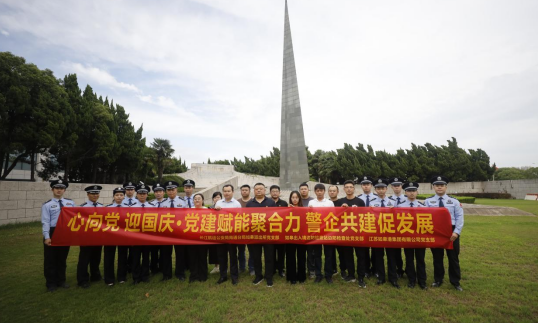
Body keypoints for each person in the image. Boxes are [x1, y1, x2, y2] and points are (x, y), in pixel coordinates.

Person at [425, 176, 464, 291]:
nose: (439, 187)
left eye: (442, 185)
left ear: (446, 187)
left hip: (451, 232)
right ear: (433, 187)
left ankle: (455, 282)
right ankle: (438, 279)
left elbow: (459, 218)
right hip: (436, 231)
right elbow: (425, 217)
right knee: (437, 257)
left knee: (453, 257)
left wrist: (456, 233)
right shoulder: (428, 201)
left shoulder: (454, 201)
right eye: (437, 185)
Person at [42, 179, 75, 292]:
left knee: (62, 258)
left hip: (65, 232)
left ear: (64, 190)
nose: (59, 190)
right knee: (50, 259)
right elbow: (45, 221)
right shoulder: (47, 205)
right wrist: (47, 237)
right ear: (52, 189)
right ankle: (51, 283)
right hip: (53, 232)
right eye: (57, 188)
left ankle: (61, 280)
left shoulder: (70, 203)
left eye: (61, 188)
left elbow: (74, 219)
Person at [337, 180, 367, 287]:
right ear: (344, 189)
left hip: (358, 233)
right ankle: (351, 275)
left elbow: (365, 217)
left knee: (361, 256)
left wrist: (357, 210)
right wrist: (341, 210)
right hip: (346, 233)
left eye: (351, 187)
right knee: (348, 256)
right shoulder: (340, 202)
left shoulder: (360, 202)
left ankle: (361, 277)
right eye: (347, 187)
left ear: (354, 188)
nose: (349, 189)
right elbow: (336, 218)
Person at [246, 183, 277, 287]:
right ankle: (258, 276)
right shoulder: (250, 204)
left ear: (265, 190)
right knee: (256, 257)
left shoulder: (271, 202)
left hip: (268, 235)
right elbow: (246, 219)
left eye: (261, 189)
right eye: (257, 189)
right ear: (254, 191)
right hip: (255, 235)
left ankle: (269, 277)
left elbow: (276, 217)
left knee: (269, 257)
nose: (259, 191)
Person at [371, 178, 400, 288]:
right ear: (376, 190)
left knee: (391, 256)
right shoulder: (372, 203)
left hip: (390, 232)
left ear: (386, 189)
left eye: (382, 188)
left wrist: (395, 210)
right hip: (378, 233)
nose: (380, 190)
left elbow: (400, 217)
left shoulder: (393, 201)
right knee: (379, 256)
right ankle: (381, 277)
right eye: (378, 188)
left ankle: (393, 278)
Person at [399, 182, 427, 289]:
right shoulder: (400, 206)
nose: (412, 193)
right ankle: (411, 280)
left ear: (417, 192)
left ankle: (422, 281)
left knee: (420, 259)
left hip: (420, 237)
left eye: (414, 191)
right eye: (409, 191)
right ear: (405, 192)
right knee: (409, 259)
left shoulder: (422, 206)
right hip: (407, 237)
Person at [214, 185, 242, 285]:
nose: (226, 193)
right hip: (221, 234)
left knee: (233, 256)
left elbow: (240, 218)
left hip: (232, 234)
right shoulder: (218, 203)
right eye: (225, 191)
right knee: (222, 256)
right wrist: (215, 210)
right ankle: (223, 276)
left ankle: (234, 276)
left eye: (229, 191)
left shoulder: (237, 204)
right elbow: (214, 218)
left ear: (232, 192)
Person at [76, 185, 103, 288]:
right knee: (84, 259)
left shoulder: (101, 207)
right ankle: (82, 279)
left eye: (96, 193)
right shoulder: (82, 207)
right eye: (92, 193)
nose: (95, 195)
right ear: (88, 194)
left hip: (98, 237)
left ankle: (95, 276)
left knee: (96, 257)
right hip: (86, 237)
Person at [308, 183, 335, 284]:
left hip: (327, 232)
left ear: (324, 191)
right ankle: (318, 274)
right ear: (315, 192)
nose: (319, 192)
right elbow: (309, 216)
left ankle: (328, 275)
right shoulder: (311, 202)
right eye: (317, 190)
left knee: (328, 255)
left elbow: (333, 217)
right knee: (317, 255)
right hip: (316, 232)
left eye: (321, 190)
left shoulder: (329, 203)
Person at [160, 180, 187, 281]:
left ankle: (180, 273)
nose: (171, 192)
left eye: (173, 190)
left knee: (180, 253)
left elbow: (186, 217)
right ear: (166, 191)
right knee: (166, 254)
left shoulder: (182, 202)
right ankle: (166, 274)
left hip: (179, 232)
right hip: (166, 232)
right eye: (169, 190)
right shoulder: (162, 203)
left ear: (177, 190)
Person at [130, 183, 155, 285]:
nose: (142, 195)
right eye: (140, 193)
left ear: (147, 194)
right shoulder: (131, 207)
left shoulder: (152, 207)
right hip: (135, 237)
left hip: (147, 237)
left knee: (146, 257)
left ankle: (145, 276)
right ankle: (136, 277)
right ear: (137, 194)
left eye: (144, 193)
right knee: (135, 257)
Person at [104, 187, 127, 286]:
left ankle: (122, 277)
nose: (119, 197)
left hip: (123, 235)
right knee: (109, 256)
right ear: (113, 196)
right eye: (117, 195)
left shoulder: (129, 208)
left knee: (122, 256)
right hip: (110, 236)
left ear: (124, 196)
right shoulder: (107, 208)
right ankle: (109, 279)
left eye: (121, 195)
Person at [357, 176, 377, 278]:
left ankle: (375, 269)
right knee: (364, 250)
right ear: (361, 186)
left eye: (368, 184)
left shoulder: (377, 197)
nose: (366, 186)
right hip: (362, 226)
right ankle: (366, 270)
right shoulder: (358, 198)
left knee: (375, 250)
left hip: (375, 227)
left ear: (371, 186)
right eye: (364, 185)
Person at [285, 191, 307, 284]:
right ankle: (291, 276)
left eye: (296, 197)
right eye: (293, 197)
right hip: (290, 237)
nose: (294, 199)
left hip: (301, 237)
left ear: (299, 199)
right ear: (290, 198)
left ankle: (301, 276)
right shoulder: (286, 209)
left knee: (301, 257)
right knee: (290, 257)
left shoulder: (304, 209)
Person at [188, 193, 209, 283]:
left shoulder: (207, 210)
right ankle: (194, 275)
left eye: (199, 198)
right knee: (193, 257)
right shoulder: (189, 210)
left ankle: (203, 275)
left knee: (202, 256)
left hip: (203, 238)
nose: (197, 200)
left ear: (203, 200)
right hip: (192, 238)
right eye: (195, 199)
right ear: (193, 201)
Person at [389, 177, 406, 278]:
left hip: (405, 227)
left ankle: (406, 269)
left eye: (398, 185)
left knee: (408, 251)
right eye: (394, 186)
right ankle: (398, 269)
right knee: (396, 251)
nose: (396, 187)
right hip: (393, 229)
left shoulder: (407, 198)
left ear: (401, 186)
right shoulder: (388, 200)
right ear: (391, 187)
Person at [270, 184, 288, 278]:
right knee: (271, 252)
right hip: (270, 232)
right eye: (273, 191)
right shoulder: (267, 202)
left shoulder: (284, 203)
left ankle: (281, 269)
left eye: (277, 191)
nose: (275, 193)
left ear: (279, 193)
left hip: (281, 232)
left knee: (281, 253)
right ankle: (272, 269)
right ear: (270, 193)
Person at [149, 182, 166, 275]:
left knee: (164, 252)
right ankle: (154, 269)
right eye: (156, 191)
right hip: (153, 232)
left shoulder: (168, 202)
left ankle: (163, 267)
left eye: (160, 191)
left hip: (165, 231)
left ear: (163, 192)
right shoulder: (150, 204)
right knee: (154, 251)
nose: (158, 193)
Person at [299, 182, 315, 278]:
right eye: (302, 189)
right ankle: (302, 269)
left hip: (310, 230)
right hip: (299, 231)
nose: (303, 190)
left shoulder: (313, 201)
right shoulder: (296, 200)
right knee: (301, 252)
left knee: (311, 252)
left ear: (308, 190)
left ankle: (311, 270)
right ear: (299, 190)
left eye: (305, 189)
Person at [237, 184, 251, 274]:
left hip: (251, 230)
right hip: (240, 230)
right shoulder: (237, 202)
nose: (244, 191)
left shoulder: (253, 202)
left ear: (249, 191)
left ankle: (251, 267)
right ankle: (242, 267)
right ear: (241, 191)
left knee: (252, 250)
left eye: (246, 190)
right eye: (243, 190)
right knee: (241, 250)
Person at [327, 185, 341, 277]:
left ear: (337, 192)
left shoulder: (341, 202)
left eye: (334, 191)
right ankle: (333, 268)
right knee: (330, 252)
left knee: (341, 252)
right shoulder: (326, 203)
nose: (332, 192)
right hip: (329, 231)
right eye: (330, 191)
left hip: (341, 231)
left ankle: (343, 269)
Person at [208, 191, 222, 275]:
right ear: (213, 199)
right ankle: (216, 267)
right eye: (215, 197)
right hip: (212, 232)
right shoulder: (209, 208)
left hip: (222, 232)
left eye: (219, 197)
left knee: (222, 250)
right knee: (213, 250)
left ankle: (222, 266)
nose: (217, 199)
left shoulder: (224, 207)